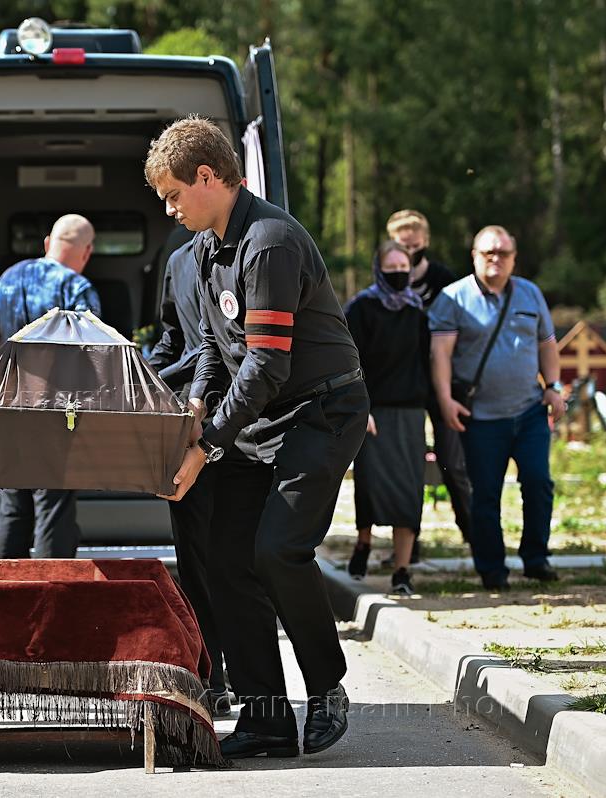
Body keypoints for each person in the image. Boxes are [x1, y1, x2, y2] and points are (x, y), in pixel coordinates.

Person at [145, 116, 368, 760]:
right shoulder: (207, 247)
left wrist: (208, 444)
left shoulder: (268, 242)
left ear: (207, 177)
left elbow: (266, 362)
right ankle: (265, 716)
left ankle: (326, 687)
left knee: (277, 551)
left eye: (174, 195)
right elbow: (214, 347)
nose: (169, 209)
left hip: (320, 412)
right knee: (225, 560)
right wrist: (195, 408)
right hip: (262, 416)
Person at [429, 225, 566, 590]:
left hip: (529, 411)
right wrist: (445, 400)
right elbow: (440, 354)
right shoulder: (453, 298)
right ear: (474, 256)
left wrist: (553, 387)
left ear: (514, 258)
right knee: (486, 494)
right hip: (480, 418)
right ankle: (492, 570)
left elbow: (547, 344)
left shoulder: (530, 293)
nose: (496, 259)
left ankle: (536, 559)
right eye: (488, 252)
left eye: (503, 253)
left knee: (538, 482)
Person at [0, 215, 99, 558]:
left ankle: (2, 583)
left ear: (47, 243)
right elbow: (94, 351)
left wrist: (12, 373)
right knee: (53, 504)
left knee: (11, 502)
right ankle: (51, 586)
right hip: (58, 411)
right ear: (87, 251)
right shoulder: (77, 288)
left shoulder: (11, 277)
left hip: (10, 406)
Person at [146, 227, 231, 718]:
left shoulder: (243, 255)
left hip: (239, 422)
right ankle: (210, 675)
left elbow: (218, 349)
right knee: (195, 561)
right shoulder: (178, 259)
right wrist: (142, 379)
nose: (170, 210)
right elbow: (174, 337)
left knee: (232, 561)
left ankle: (247, 676)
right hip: (188, 426)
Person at [344, 241, 431, 595]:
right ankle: (363, 542)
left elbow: (425, 361)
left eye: (403, 267)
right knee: (371, 486)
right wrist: (360, 406)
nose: (398, 274)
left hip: (409, 413)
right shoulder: (361, 308)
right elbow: (349, 360)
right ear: (378, 269)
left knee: (409, 491)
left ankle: (402, 570)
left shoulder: (417, 311)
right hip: (373, 411)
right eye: (391, 267)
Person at [387, 210, 474, 555]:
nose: (409, 250)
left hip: (444, 380)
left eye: (415, 244)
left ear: (425, 241)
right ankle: (408, 544)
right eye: (403, 244)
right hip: (404, 382)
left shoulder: (444, 280)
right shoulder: (388, 279)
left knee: (453, 461)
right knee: (407, 465)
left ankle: (473, 534)